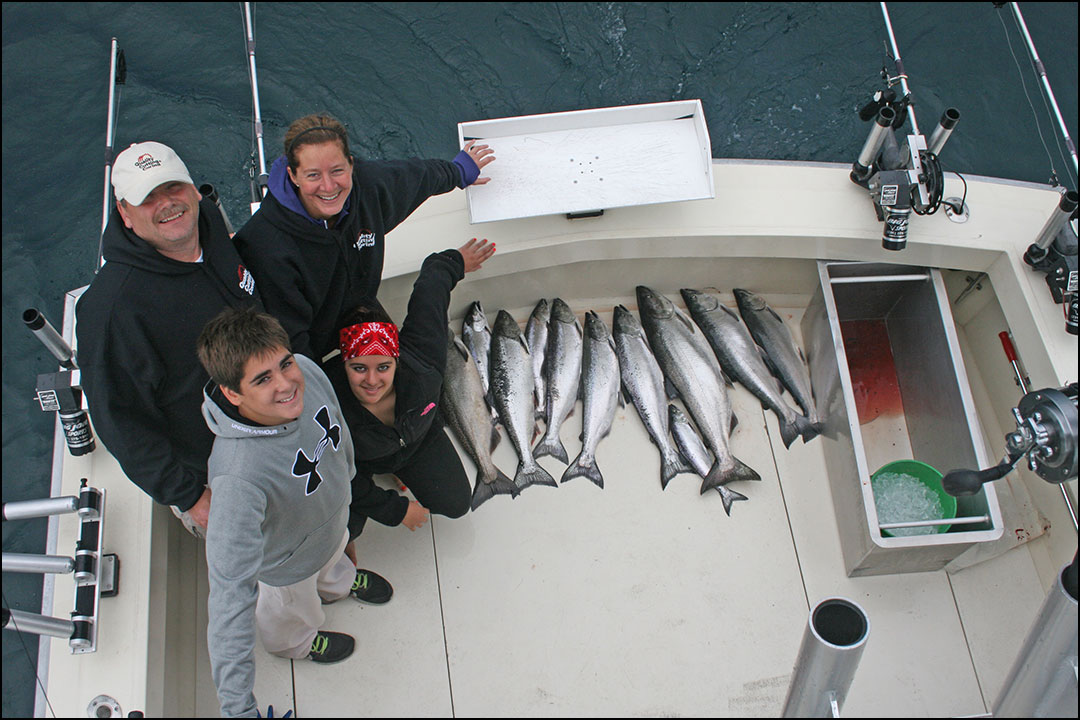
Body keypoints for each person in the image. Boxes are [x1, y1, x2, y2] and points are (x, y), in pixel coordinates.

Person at [196, 306, 393, 718]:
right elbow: (230, 597)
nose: (287, 384)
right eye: (262, 379)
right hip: (286, 570)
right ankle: (297, 644)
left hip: (332, 529)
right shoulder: (237, 478)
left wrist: (346, 510)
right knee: (291, 614)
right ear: (233, 394)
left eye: (284, 364)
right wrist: (237, 709)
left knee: (335, 567)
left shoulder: (307, 371)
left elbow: (337, 433)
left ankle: (339, 584)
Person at [75, 141, 262, 535]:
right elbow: (119, 422)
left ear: (193, 189)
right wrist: (190, 496)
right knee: (268, 555)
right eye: (147, 198)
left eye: (172, 186)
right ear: (124, 213)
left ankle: (335, 561)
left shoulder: (207, 222)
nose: (167, 204)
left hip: (276, 416)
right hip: (218, 468)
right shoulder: (111, 312)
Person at [232, 112, 495, 363]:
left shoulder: (369, 186)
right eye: (313, 175)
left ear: (351, 164)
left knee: (406, 379)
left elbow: (417, 177)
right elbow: (290, 342)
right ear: (293, 175)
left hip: (363, 312)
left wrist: (459, 171)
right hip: (313, 347)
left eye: (337, 170)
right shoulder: (266, 246)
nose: (328, 186)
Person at [327, 238, 495, 549]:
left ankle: (400, 469)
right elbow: (336, 475)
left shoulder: (423, 357)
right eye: (358, 368)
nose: (372, 381)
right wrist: (396, 510)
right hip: (363, 461)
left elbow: (431, 289)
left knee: (457, 505)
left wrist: (455, 261)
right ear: (343, 363)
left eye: (383, 367)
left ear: (397, 359)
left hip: (420, 440)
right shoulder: (325, 404)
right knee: (345, 530)